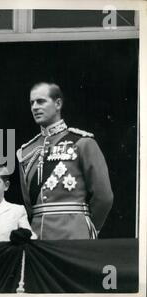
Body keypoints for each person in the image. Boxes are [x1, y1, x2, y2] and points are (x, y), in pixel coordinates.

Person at [16, 82, 114, 240]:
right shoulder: (25, 152)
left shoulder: (82, 143)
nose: (34, 107)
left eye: (41, 101)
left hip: (74, 236)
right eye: (32, 103)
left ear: (58, 104)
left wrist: (86, 230)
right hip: (37, 239)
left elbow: (104, 197)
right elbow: (29, 205)